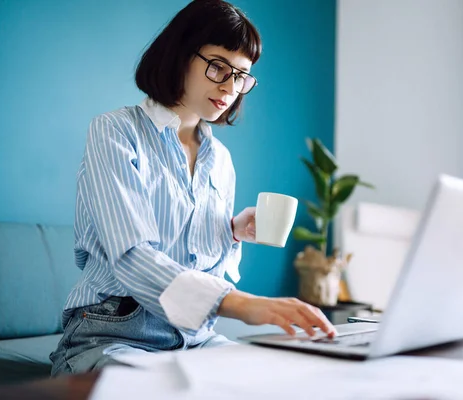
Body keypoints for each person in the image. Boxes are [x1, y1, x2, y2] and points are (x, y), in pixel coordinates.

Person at [50, 0, 336, 376]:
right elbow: (132, 257)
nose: (230, 87)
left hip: (194, 338)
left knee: (281, 376)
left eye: (241, 76)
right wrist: (243, 304)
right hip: (112, 334)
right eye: (218, 66)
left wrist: (229, 232)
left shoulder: (220, 160)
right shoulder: (115, 131)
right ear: (180, 54)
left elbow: (206, 269)